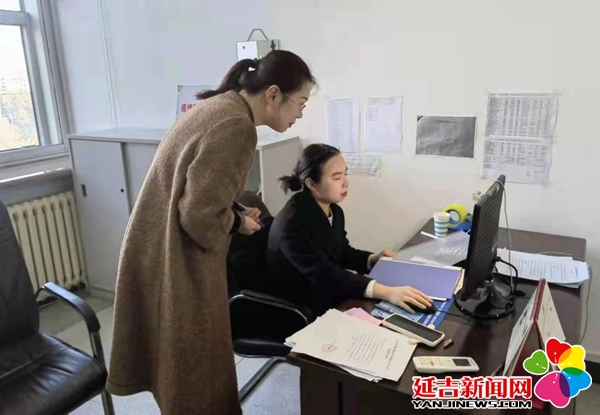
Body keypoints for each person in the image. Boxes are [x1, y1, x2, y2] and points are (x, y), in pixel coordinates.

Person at [106, 50, 316, 415]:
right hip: (178, 259)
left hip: (154, 246)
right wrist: (239, 223)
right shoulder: (237, 127)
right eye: (300, 103)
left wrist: (232, 209)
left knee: (177, 371)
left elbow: (194, 187)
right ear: (273, 95)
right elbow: (198, 216)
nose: (300, 114)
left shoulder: (218, 108)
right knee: (198, 379)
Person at [266, 143, 433, 317]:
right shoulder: (292, 225)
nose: (346, 182)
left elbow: (341, 252)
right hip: (302, 308)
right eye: (336, 177)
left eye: (345, 174)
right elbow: (324, 274)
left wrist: (371, 260)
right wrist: (386, 292)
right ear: (312, 184)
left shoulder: (334, 210)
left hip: (328, 291)